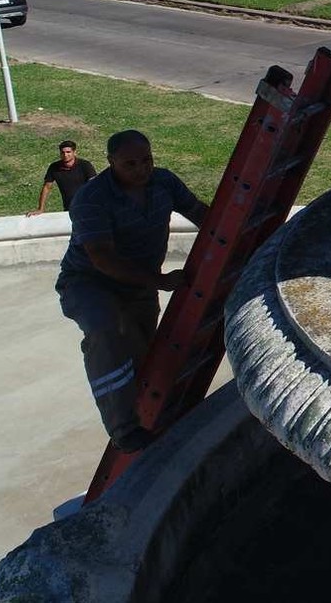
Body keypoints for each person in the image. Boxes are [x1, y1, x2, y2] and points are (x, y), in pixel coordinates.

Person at [55, 130, 209, 451]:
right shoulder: (91, 198)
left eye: (146, 160)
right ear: (110, 163)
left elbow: (199, 212)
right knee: (107, 331)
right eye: (130, 164)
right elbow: (102, 258)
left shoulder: (164, 182)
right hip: (89, 282)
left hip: (139, 286)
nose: (141, 169)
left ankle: (157, 421)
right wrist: (161, 281)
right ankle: (123, 431)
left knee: (143, 358)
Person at [28, 139, 98, 216]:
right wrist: (40, 209)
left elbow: (94, 185)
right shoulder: (54, 167)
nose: (65, 155)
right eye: (63, 152)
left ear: (74, 152)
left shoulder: (85, 165)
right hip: (69, 208)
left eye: (68, 152)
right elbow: (47, 187)